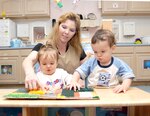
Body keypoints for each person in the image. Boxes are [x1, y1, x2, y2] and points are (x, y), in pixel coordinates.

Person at [22, 12, 89, 90]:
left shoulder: (77, 48)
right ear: (58, 26)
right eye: (64, 27)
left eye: (72, 30)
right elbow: (28, 60)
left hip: (72, 90)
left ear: (75, 33)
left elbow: (87, 67)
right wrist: (30, 74)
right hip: (49, 91)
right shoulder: (44, 46)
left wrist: (80, 79)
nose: (66, 32)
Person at [69, 29, 135, 93]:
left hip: (112, 93)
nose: (99, 55)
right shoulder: (91, 62)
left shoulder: (118, 63)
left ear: (113, 48)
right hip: (93, 92)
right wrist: (74, 81)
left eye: (103, 51)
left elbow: (128, 75)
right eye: (95, 52)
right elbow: (78, 72)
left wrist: (124, 86)